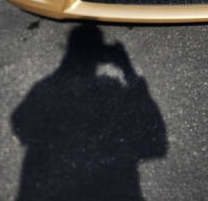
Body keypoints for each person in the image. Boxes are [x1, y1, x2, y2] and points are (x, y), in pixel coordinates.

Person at [11, 24, 167, 200]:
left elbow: (20, 125)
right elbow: (155, 140)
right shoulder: (112, 90)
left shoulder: (46, 90)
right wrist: (126, 67)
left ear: (69, 55)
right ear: (101, 56)